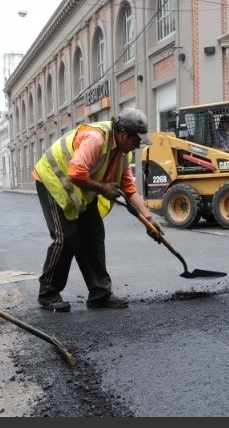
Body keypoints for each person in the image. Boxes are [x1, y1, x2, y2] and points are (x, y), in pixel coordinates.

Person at [32, 108, 164, 312]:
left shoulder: (122, 154)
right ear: (123, 134)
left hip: (79, 189)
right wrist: (103, 188)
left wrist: (148, 220)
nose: (138, 145)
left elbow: (129, 189)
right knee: (66, 238)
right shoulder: (96, 139)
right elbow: (75, 173)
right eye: (136, 140)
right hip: (53, 180)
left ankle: (99, 294)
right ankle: (48, 294)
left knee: (93, 235)